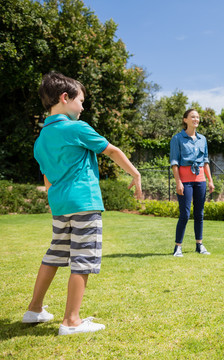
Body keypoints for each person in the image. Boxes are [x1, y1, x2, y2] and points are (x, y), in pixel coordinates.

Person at [23, 72, 143, 335]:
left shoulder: (41, 139)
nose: (83, 106)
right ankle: (71, 321)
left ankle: (34, 309)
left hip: (60, 205)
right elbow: (112, 150)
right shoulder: (77, 128)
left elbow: (47, 176)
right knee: (83, 259)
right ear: (65, 98)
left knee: (54, 255)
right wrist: (135, 174)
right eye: (81, 100)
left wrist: (58, 199)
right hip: (84, 201)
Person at [170, 109, 214, 257]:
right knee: (185, 214)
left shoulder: (203, 139)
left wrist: (210, 180)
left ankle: (199, 245)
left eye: (197, 117)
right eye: (192, 117)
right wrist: (178, 182)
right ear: (185, 120)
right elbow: (174, 163)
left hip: (200, 179)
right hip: (185, 180)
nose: (195, 119)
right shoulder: (177, 139)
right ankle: (178, 247)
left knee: (199, 214)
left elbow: (206, 161)